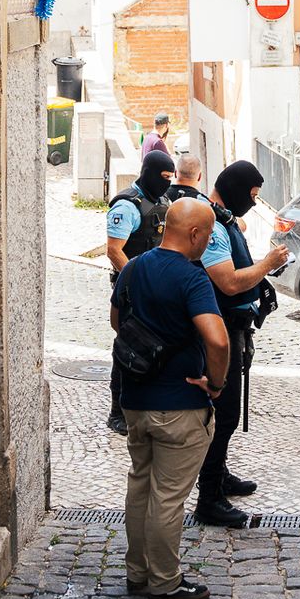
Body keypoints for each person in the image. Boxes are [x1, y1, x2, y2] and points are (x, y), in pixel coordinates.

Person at [112, 199, 230, 599]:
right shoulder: (192, 278)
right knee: (168, 497)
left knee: (140, 486)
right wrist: (216, 384)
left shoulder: (133, 266)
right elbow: (217, 338)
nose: (209, 242)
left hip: (135, 400)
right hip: (178, 404)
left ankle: (137, 572)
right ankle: (164, 581)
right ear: (195, 235)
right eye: (209, 235)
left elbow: (117, 321)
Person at [191, 160, 289, 527]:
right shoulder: (213, 226)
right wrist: (268, 263)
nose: (253, 202)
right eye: (251, 195)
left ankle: (218, 476)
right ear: (235, 188)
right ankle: (209, 497)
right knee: (224, 412)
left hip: (234, 326)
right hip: (220, 329)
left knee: (226, 415)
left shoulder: (224, 218)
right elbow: (228, 282)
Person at [105, 150, 176, 434]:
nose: (167, 183)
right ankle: (117, 413)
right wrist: (136, 281)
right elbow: (114, 250)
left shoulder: (162, 200)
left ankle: (145, 404)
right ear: (148, 172)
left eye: (170, 178)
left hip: (156, 286)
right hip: (132, 288)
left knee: (154, 346)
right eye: (163, 177)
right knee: (128, 344)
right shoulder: (127, 206)